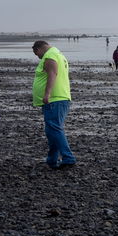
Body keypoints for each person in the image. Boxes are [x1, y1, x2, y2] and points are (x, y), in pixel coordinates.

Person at [32, 40, 76, 169]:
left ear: (38, 49)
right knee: (51, 130)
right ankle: (52, 159)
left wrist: (47, 94)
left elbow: (53, 73)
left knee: (55, 128)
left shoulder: (50, 55)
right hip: (59, 98)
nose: (38, 57)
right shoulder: (58, 54)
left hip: (55, 99)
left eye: (36, 54)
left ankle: (68, 158)